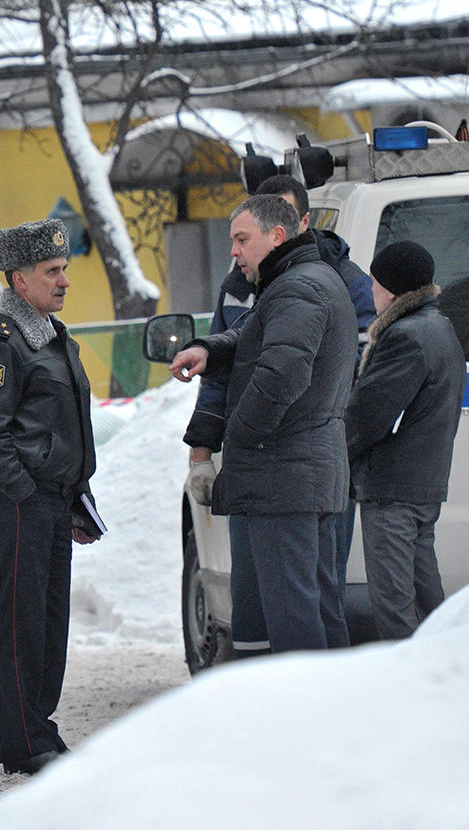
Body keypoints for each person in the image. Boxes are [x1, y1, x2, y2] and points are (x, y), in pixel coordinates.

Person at [169, 195, 356, 654]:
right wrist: (211, 351)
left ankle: (307, 718)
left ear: (277, 236)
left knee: (293, 615)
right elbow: (259, 336)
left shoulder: (297, 288)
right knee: (315, 607)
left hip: (285, 475)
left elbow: (281, 375)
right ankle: (338, 714)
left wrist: (239, 439)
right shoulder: (301, 281)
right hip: (303, 471)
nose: (234, 251)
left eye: (241, 239)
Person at [0, 218, 99, 776]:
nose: (64, 280)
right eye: (52, 272)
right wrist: (23, 495)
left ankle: (39, 726)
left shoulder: (50, 336)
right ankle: (21, 741)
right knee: (22, 620)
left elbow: (64, 426)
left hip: (52, 498)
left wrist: (75, 494)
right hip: (19, 501)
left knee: (49, 618)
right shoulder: (1, 344)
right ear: (21, 280)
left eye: (64, 269)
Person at [253, 176, 377, 608]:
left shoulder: (335, 281)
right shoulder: (243, 281)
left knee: (315, 593)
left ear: (304, 220)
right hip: (276, 461)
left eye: (285, 218)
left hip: (319, 450)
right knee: (281, 594)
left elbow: (359, 367)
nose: (277, 229)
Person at [345, 241, 466, 640]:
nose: (370, 293)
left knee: (395, 605)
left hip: (392, 488)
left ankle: (413, 686)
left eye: (374, 284)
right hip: (421, 483)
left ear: (393, 291)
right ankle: (445, 673)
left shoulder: (405, 338)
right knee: (426, 597)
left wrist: (333, 456)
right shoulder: (439, 327)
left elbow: (367, 416)